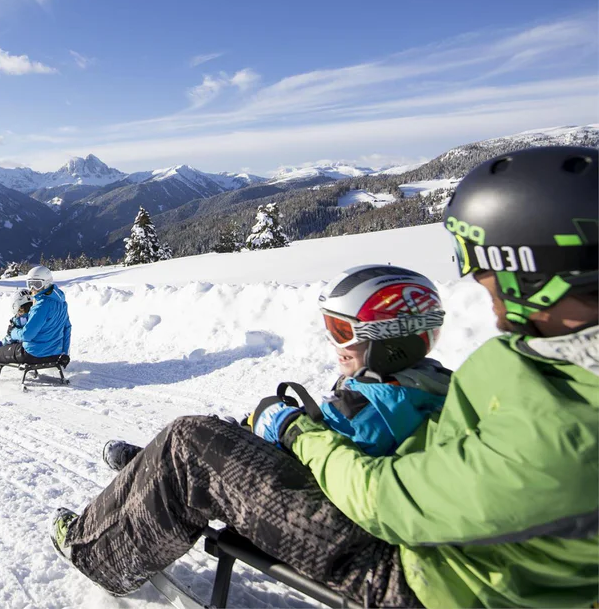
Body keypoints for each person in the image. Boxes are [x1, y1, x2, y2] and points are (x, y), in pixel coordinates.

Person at [50, 145, 599, 609]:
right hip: (448, 543)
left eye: (487, 267)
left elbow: (388, 503)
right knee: (210, 449)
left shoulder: (566, 429)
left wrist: (298, 434)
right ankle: (165, 476)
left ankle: (94, 549)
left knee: (193, 442)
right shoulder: (555, 361)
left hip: (419, 576)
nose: (482, 283)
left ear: (537, 268)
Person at [101, 264, 452, 475]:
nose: (334, 343)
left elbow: (323, 460)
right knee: (236, 426)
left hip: (294, 497)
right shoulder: (423, 388)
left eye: (342, 331)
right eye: (330, 328)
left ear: (390, 340)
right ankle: (160, 458)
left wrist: (279, 424)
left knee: (200, 434)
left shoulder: (374, 411)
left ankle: (159, 468)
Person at [0, 265, 71, 382]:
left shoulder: (41, 305)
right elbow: (67, 327)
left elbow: (27, 335)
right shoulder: (62, 303)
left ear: (46, 283)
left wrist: (13, 333)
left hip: (33, 354)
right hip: (54, 354)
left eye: (37, 284)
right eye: (29, 284)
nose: (32, 288)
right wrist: (64, 352)